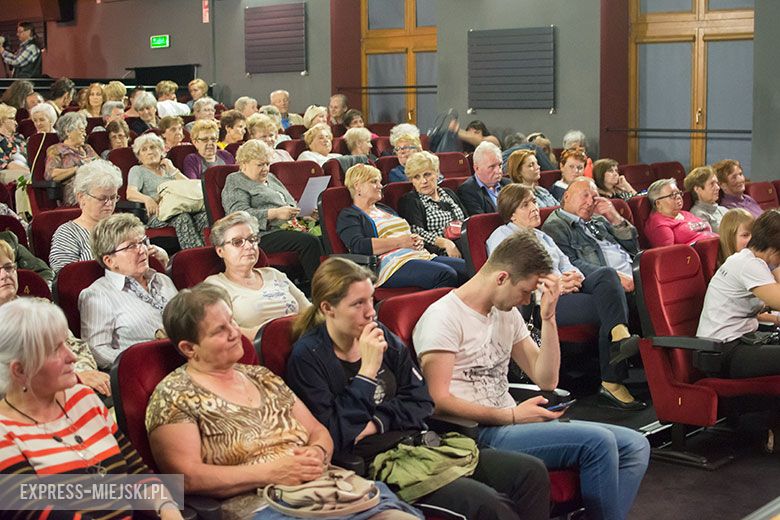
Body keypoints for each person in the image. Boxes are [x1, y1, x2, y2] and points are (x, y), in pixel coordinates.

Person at [286, 257, 552, 520]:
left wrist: (375, 423)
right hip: (376, 465)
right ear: (327, 308)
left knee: (530, 472)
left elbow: (422, 402)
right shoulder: (308, 357)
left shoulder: (380, 333)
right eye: (358, 304)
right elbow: (335, 434)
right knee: (488, 505)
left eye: (371, 299)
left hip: (420, 445)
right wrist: (367, 373)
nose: (371, 312)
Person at [413, 231, 650, 520]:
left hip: (511, 420)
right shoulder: (442, 318)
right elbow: (437, 400)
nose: (525, 299)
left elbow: (546, 380)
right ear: (501, 278)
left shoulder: (505, 312)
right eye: (525, 291)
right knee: (599, 443)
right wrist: (511, 416)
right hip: (473, 432)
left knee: (636, 445)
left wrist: (548, 318)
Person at [147, 285, 420, 520]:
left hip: (327, 488)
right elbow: (187, 477)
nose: (235, 333)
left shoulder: (261, 376)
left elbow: (317, 431)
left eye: (232, 321)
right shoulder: (174, 395)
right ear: (188, 348)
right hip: (263, 506)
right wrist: (271, 472)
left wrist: (317, 452)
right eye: (220, 330)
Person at [0, 299, 183, 519]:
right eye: (55, 350)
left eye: (66, 344)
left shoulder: (83, 398)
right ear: (20, 370)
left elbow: (136, 474)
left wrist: (167, 507)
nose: (72, 357)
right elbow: (35, 513)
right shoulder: (4, 433)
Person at [486, 185, 644, 410]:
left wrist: (573, 278)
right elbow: (509, 280)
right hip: (543, 301)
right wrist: (557, 285)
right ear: (511, 213)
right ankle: (612, 380)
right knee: (609, 307)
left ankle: (620, 336)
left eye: (534, 202)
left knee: (607, 275)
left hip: (568, 289)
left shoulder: (542, 236)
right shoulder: (502, 237)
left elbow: (568, 265)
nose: (535, 208)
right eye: (526, 205)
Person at [337, 163, 467, 289]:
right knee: (445, 274)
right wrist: (400, 242)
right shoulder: (349, 215)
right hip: (389, 265)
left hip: (420, 256)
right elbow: (359, 246)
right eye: (374, 182)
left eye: (379, 182)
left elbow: (405, 234)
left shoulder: (386, 209)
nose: (380, 186)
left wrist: (416, 240)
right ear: (358, 186)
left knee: (468, 268)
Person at [79, 213, 178, 369]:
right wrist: (140, 360)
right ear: (110, 261)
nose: (142, 250)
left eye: (142, 242)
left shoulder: (162, 280)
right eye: (131, 246)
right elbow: (97, 350)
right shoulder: (97, 295)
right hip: (147, 373)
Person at [222, 139, 324, 282]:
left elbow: (289, 203)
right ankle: (323, 289)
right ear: (244, 164)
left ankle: (333, 282)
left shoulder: (271, 177)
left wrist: (304, 214)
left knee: (326, 233)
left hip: (289, 225)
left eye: (267, 164)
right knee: (309, 241)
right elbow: (238, 215)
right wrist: (275, 213)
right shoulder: (235, 180)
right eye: (260, 165)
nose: (265, 169)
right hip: (261, 233)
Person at [697, 209, 780, 378]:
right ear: (773, 250)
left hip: (745, 341)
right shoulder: (749, 265)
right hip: (724, 351)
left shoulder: (750, 260)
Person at [204, 211, 311, 339]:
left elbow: (310, 312)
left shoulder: (274, 274)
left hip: (304, 341)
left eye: (252, 239)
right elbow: (223, 330)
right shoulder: (214, 286)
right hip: (262, 350)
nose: (249, 246)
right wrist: (274, 335)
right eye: (237, 242)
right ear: (220, 251)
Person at [542, 177, 639, 293]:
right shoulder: (556, 226)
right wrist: (613, 277)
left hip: (636, 271)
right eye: (585, 195)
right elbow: (570, 263)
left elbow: (633, 248)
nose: (590, 202)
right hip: (613, 285)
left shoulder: (599, 219)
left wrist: (615, 218)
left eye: (594, 198)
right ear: (567, 196)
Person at [127, 133, 208, 249]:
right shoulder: (137, 170)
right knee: (182, 218)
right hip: (158, 213)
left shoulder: (168, 168)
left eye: (153, 147)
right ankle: (195, 255)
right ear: (139, 157)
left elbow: (190, 187)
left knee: (205, 216)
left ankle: (208, 250)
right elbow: (130, 193)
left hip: (180, 207)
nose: (150, 152)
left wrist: (173, 170)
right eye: (144, 150)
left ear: (161, 151)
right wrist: (147, 199)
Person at [49, 160, 121, 274]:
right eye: (102, 198)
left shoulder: (123, 226)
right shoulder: (68, 233)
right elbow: (65, 278)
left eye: (113, 197)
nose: (109, 203)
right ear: (81, 197)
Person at [397, 151, 467, 258]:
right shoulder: (410, 201)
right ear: (412, 180)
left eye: (427, 174)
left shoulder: (448, 193)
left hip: (464, 240)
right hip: (439, 251)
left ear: (437, 173)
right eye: (417, 177)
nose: (424, 181)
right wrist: (446, 243)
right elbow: (417, 233)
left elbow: (467, 220)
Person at [644, 178, 716, 248]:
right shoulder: (659, 224)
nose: (678, 197)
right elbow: (669, 253)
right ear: (658, 203)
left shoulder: (685, 213)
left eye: (678, 193)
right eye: (672, 195)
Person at [45, 112, 98, 206]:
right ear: (68, 131)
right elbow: (51, 174)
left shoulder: (87, 148)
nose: (85, 134)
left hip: (96, 185)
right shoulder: (56, 150)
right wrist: (78, 168)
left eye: (85, 131)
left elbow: (102, 164)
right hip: (76, 192)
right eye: (81, 130)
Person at [458, 141, 511, 215]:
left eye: (500, 165)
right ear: (477, 168)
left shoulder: (509, 185)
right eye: (492, 166)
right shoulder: (468, 190)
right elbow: (481, 221)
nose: (498, 170)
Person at [684, 165, 728, 232]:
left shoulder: (724, 209)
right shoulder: (697, 214)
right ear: (697, 189)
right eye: (712, 184)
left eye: (717, 183)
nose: (718, 188)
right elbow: (708, 239)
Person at [0, 104, 29, 183]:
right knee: (26, 177)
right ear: (2, 120)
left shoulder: (19, 138)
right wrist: (31, 173)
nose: (16, 123)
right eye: (12, 118)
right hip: (7, 172)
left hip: (26, 169)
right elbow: (8, 164)